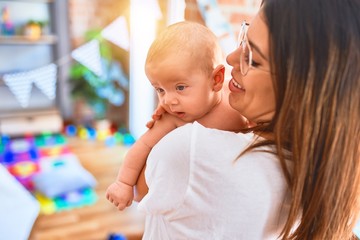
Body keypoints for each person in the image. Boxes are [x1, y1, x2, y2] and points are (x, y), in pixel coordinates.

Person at [136, 0, 360, 239]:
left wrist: (169, 125)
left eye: (252, 58)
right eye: (243, 37)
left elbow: (141, 189)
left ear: (302, 87)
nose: (231, 58)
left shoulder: (190, 151)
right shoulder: (337, 182)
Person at [106, 21, 249, 210]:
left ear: (216, 79)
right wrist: (123, 183)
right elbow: (141, 146)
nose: (168, 101)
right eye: (160, 90)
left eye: (180, 87)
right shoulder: (174, 118)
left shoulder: (234, 94)